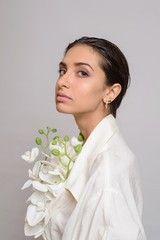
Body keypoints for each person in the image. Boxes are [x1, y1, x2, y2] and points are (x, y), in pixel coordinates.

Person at [44, 36, 146, 240]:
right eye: (62, 71)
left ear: (110, 92)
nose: (62, 82)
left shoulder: (108, 169)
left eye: (82, 73)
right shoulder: (90, 149)